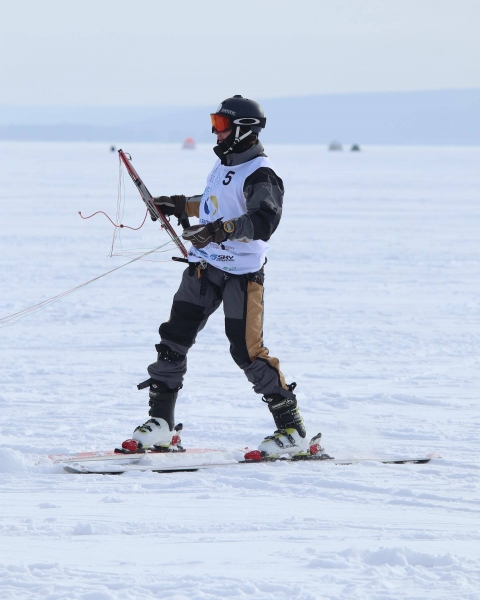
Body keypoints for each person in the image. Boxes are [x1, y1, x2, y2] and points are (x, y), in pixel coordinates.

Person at [123, 95, 310, 458]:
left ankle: (292, 430)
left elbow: (263, 221)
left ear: (244, 130)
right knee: (174, 337)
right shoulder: (224, 164)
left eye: (222, 125)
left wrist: (220, 230)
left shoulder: (262, 174)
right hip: (204, 267)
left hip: (242, 276)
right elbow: (213, 202)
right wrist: (177, 204)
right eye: (215, 122)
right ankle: (161, 424)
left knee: (246, 351)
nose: (216, 131)